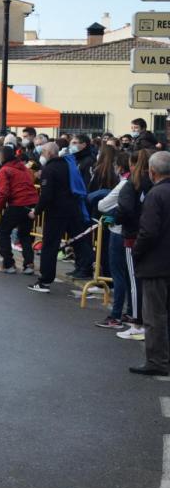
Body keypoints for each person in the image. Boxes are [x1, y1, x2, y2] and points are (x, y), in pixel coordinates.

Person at [28, 142, 96, 293]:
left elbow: (46, 195)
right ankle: (90, 272)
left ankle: (45, 280)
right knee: (79, 241)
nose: (42, 155)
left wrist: (36, 211)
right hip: (73, 209)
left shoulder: (49, 169)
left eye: (43, 152)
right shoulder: (67, 164)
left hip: (56, 212)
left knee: (50, 246)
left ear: (49, 153)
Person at [128, 152, 170, 375]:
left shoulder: (155, 195)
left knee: (154, 315)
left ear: (152, 172)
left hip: (156, 262)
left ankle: (157, 361)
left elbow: (149, 231)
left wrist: (137, 252)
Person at [116, 149, 156, 340]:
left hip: (133, 236)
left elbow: (125, 210)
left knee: (135, 281)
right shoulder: (156, 184)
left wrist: (116, 218)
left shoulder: (133, 184)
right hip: (154, 237)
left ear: (133, 164)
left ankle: (137, 323)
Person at [97, 152, 133, 329]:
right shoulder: (139, 182)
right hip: (130, 232)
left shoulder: (125, 184)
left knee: (119, 275)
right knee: (129, 276)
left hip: (119, 232)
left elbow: (102, 205)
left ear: (120, 166)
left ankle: (116, 315)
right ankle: (131, 312)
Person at [0, 145, 39, 274]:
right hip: (32, 204)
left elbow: (3, 193)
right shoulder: (24, 169)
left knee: (2, 232)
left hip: (18, 203)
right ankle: (29, 264)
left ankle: (8, 264)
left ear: (3, 157)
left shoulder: (4, 170)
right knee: (25, 234)